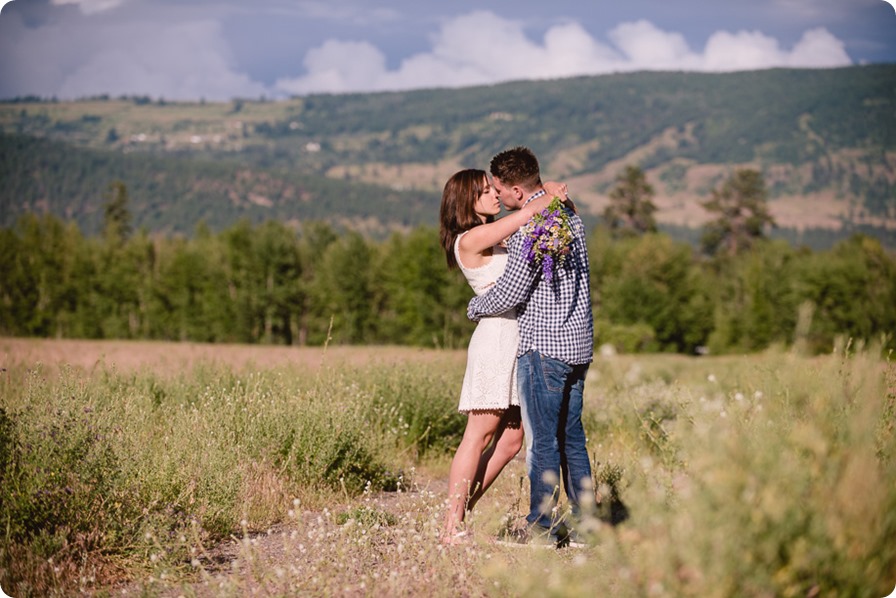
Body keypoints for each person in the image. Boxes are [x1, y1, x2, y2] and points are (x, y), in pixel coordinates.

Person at [467, 146, 595, 547]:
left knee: (542, 442)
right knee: (572, 439)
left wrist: (476, 304)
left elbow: (512, 290)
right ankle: (586, 529)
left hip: (544, 346)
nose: (499, 198)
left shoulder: (529, 227)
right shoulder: (570, 215)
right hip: (578, 342)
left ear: (517, 192)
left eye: (501, 191)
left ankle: (540, 529)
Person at [438, 168, 569, 545]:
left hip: (521, 339)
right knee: (479, 435)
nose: (494, 195)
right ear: (467, 201)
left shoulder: (494, 235)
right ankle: (451, 524)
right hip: (496, 341)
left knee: (513, 439)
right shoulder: (471, 238)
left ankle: (460, 513)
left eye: (494, 189)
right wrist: (543, 194)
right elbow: (525, 215)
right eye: (484, 191)